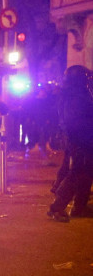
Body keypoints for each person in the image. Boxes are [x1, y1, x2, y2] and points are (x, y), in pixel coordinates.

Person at [47, 66, 93, 221]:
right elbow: (77, 121)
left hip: (82, 139)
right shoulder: (76, 96)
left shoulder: (72, 93)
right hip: (81, 140)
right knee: (76, 173)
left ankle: (80, 207)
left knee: (86, 174)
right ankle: (57, 207)